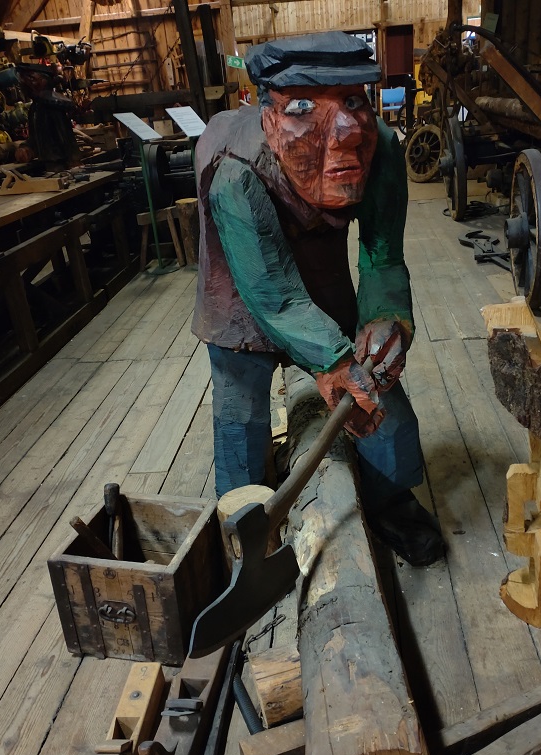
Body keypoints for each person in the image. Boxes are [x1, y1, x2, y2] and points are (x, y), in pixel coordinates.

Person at [192, 32, 445, 566]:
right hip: (238, 295)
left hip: (323, 283)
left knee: (381, 404)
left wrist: (385, 317)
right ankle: (244, 531)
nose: (347, 130)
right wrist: (331, 360)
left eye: (354, 101)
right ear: (268, 117)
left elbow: (382, 256)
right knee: (240, 416)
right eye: (303, 109)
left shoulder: (380, 148)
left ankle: (391, 501)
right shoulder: (234, 171)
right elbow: (271, 295)